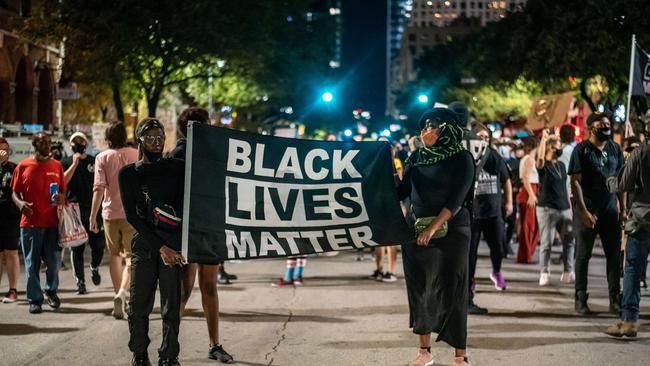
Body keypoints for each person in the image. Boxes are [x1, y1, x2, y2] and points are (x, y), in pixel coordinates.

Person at [398, 108, 474, 366]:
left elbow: (457, 199)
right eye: (423, 127)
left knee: (453, 288)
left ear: (448, 128)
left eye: (432, 126)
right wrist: (382, 170)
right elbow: (400, 192)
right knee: (421, 288)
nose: (425, 131)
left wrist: (433, 229)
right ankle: (424, 352)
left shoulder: (462, 158)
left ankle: (460, 355)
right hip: (416, 232)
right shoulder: (415, 157)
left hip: (452, 231)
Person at [119, 118, 185, 366]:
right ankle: (139, 353)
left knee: (171, 307)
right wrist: (161, 248)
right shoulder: (128, 175)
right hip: (145, 247)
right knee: (138, 306)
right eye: (150, 138)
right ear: (140, 140)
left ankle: (169, 356)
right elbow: (132, 216)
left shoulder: (177, 168)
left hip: (173, 244)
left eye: (160, 138)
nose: (156, 143)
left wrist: (176, 247)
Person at [173, 107, 233, 363]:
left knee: (188, 289)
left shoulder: (186, 152)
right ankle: (209, 344)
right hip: (198, 228)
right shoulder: (189, 153)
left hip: (201, 228)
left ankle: (174, 343)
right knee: (195, 287)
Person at [568, 112, 624, 315]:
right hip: (587, 211)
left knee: (614, 257)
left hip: (610, 212)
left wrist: (622, 209)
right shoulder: (581, 150)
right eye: (602, 124)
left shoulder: (615, 149)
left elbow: (620, 181)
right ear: (591, 128)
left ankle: (615, 299)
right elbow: (575, 181)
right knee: (583, 256)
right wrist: (583, 211)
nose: (606, 127)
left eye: (608, 124)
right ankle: (580, 298)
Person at [11, 132, 66, 314]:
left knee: (53, 261)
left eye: (49, 142)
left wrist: (60, 198)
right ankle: (34, 299)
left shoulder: (56, 166)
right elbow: (14, 192)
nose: (47, 144)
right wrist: (20, 204)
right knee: (31, 263)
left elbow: (63, 194)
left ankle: (51, 291)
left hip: (52, 223)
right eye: (43, 141)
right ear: (35, 143)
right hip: (30, 224)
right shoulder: (23, 166)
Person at [89, 121, 139, 319]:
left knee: (115, 256)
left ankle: (117, 295)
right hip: (131, 214)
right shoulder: (135, 154)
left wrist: (92, 216)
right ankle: (123, 294)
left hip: (109, 214)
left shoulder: (102, 157)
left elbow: (99, 188)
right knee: (131, 258)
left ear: (108, 138)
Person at [605, 137, 650, 337]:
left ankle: (629, 321)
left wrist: (609, 179)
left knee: (632, 268)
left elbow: (622, 184)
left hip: (642, 219)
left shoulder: (640, 152)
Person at [468, 124, 512, 299]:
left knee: (498, 247)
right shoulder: (469, 156)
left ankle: (496, 272)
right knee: (471, 251)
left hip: (494, 211)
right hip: (474, 212)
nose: (484, 140)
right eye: (480, 137)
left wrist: (509, 202)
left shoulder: (495, 156)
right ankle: (470, 279)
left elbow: (506, 180)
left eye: (486, 137)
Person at [61, 132, 105, 295]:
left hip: (94, 209)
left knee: (98, 245)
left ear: (85, 144)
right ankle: (80, 282)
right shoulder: (65, 162)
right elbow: (63, 182)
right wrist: (74, 163)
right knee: (77, 248)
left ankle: (94, 266)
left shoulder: (95, 161)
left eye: (79, 141)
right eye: (73, 142)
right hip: (75, 210)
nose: (76, 144)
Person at [535, 130, 575, 286]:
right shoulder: (543, 166)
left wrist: (570, 207)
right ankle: (544, 272)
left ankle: (568, 271)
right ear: (551, 147)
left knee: (569, 241)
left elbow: (565, 187)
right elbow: (539, 159)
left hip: (564, 208)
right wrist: (544, 140)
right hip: (547, 209)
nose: (560, 148)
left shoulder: (562, 166)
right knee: (547, 243)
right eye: (558, 145)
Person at [0, 138, 21, 303]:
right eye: (1, 149)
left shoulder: (14, 168)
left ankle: (13, 290)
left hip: (10, 217)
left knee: (11, 253)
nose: (4, 152)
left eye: (6, 149)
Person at [516, 136, 540, 264]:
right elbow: (525, 177)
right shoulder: (529, 159)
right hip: (529, 192)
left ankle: (526, 254)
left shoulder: (527, 159)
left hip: (529, 191)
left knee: (529, 225)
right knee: (529, 226)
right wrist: (532, 194)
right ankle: (526, 255)